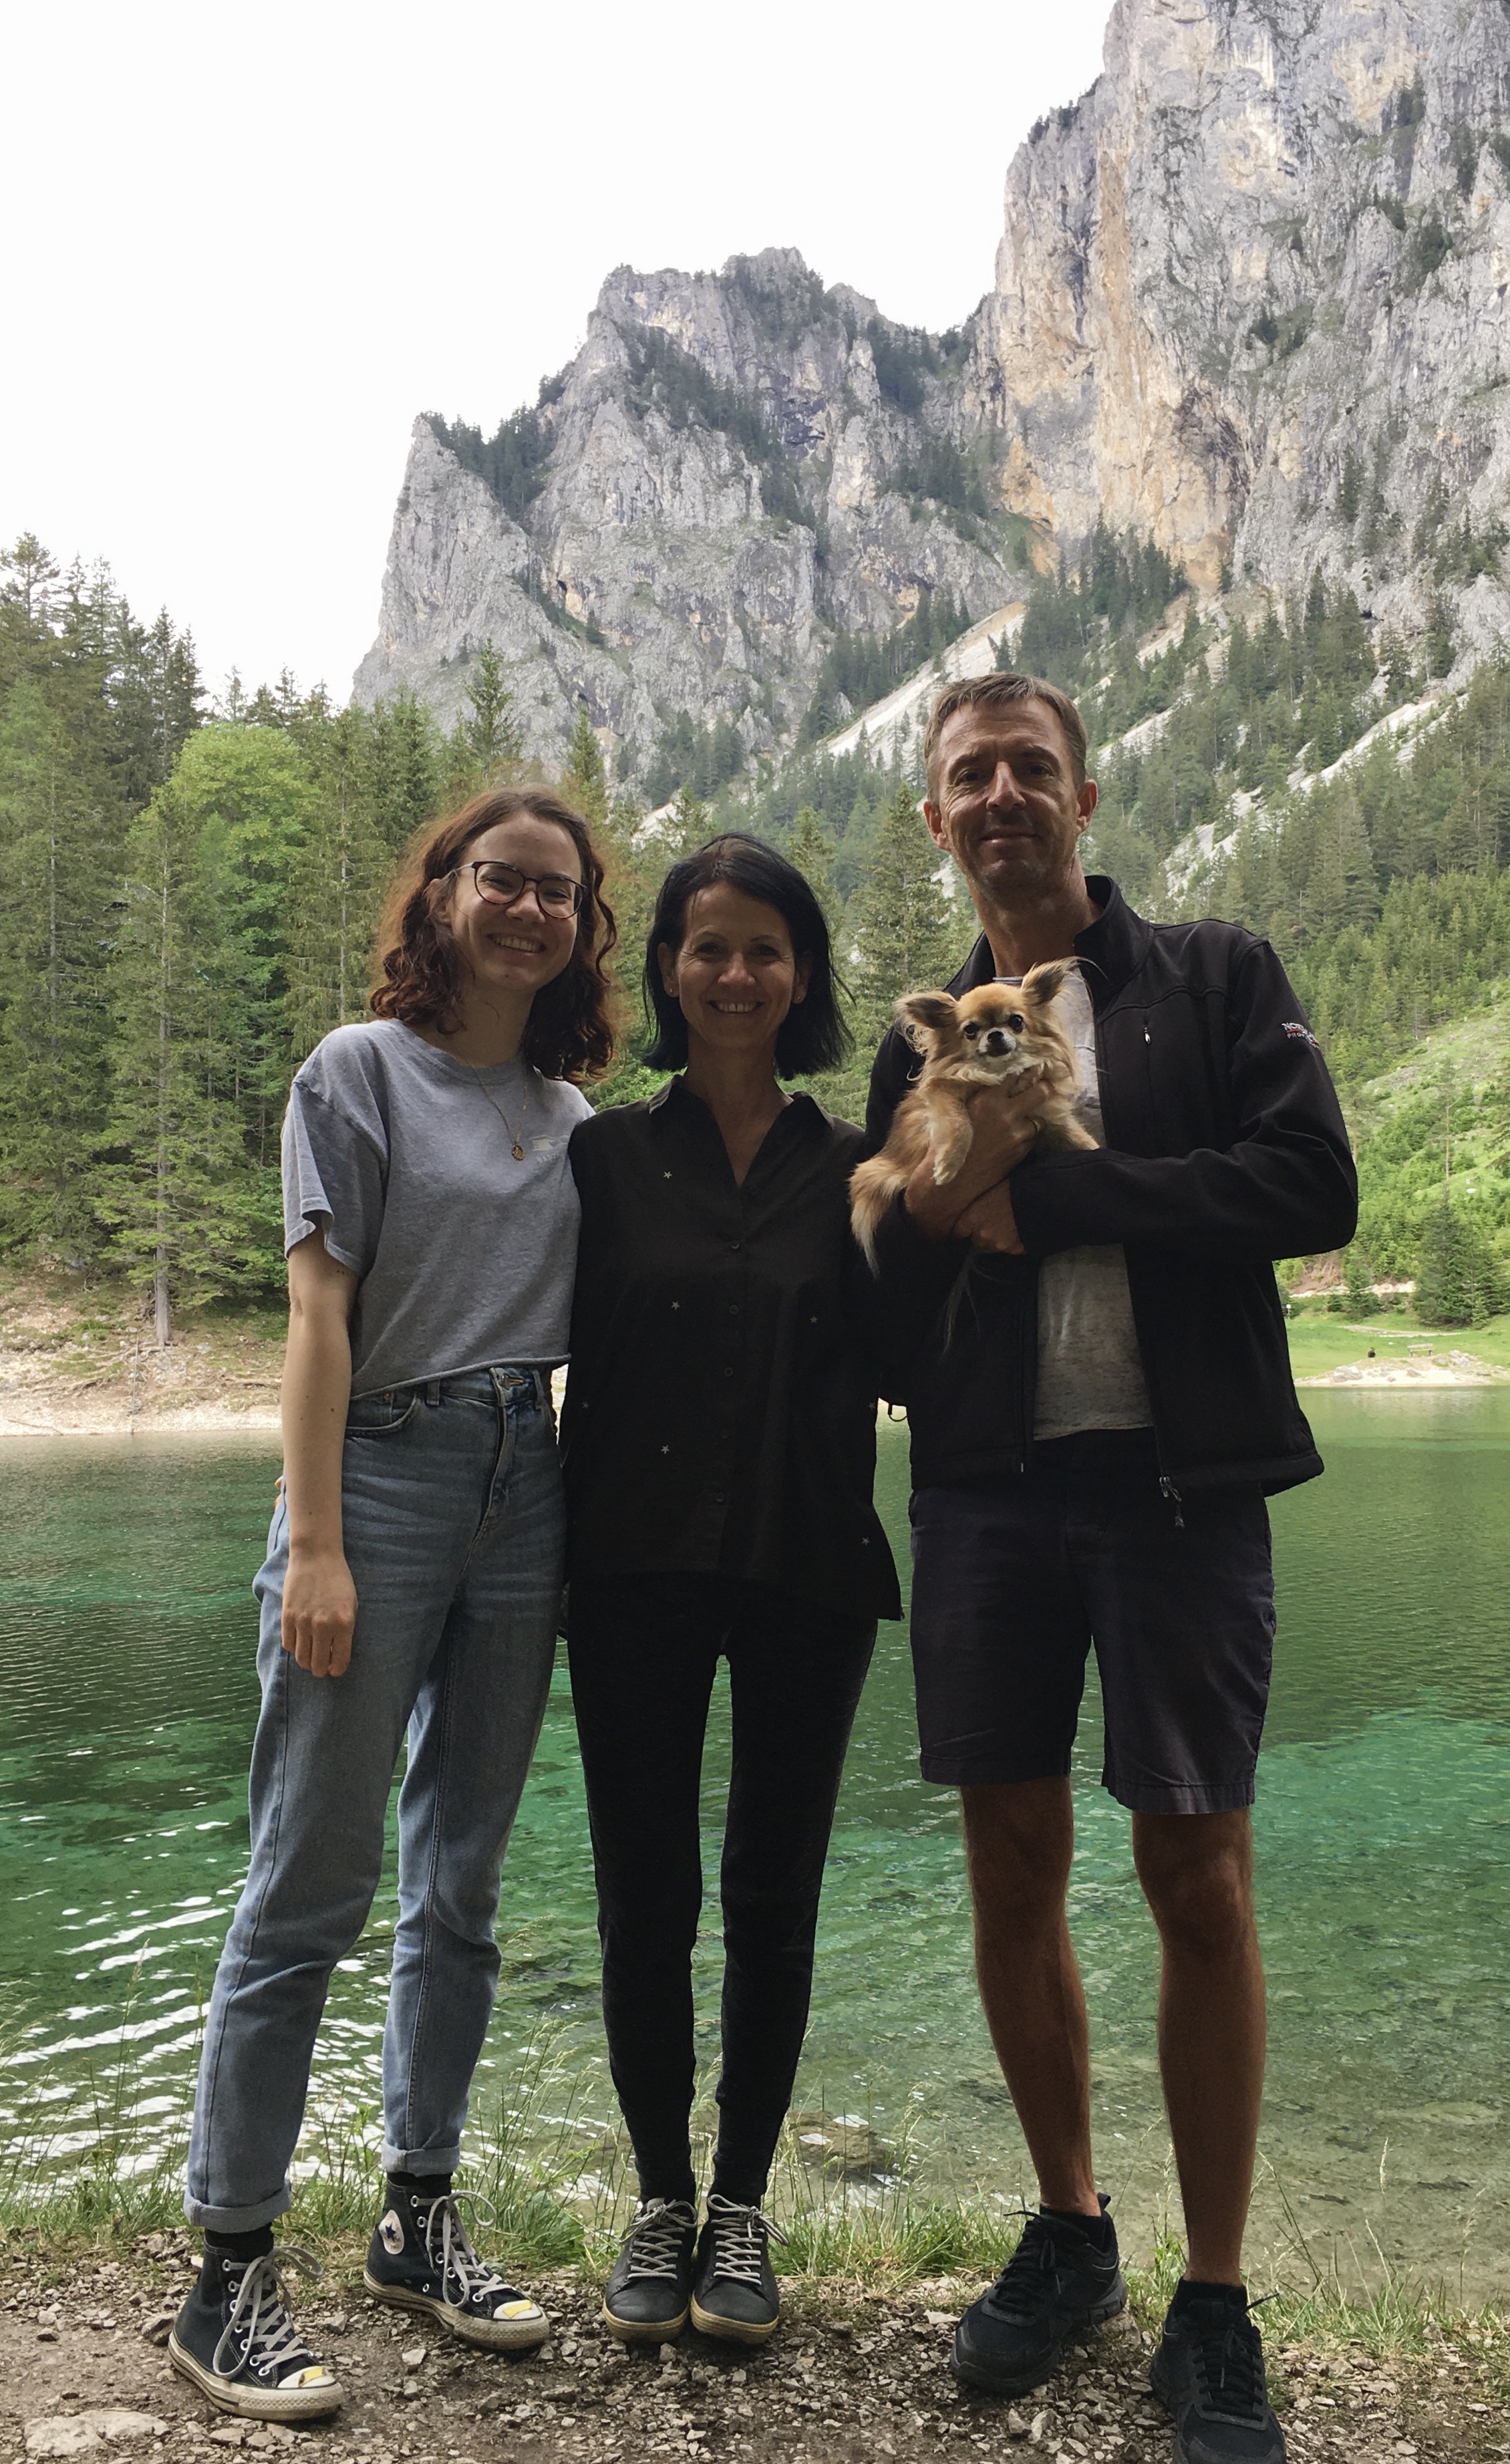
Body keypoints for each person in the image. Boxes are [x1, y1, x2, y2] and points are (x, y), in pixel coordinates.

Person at [863, 672, 1358, 2460]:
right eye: (968, 773)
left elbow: (1309, 1186)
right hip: (986, 1495)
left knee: (1198, 1875)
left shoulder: (1211, 978)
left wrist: (1069, 1194)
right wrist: (933, 1216)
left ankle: (1212, 2300)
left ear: (1082, 795)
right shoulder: (922, 1040)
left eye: (1030, 767)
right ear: (936, 817)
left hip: (1181, 1488)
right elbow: (886, 1316)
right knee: (1009, 1865)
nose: (1000, 794)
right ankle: (1072, 2228)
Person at [172, 788, 615, 2423]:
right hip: (384, 1474)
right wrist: (319, 1542)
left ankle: (416, 2213)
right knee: (308, 1883)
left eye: (559, 890)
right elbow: (318, 1319)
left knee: (463, 1883)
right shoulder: (357, 1071)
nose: (529, 907)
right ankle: (227, 2269)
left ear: (582, 926)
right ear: (440, 894)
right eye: (501, 877)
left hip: (527, 1484)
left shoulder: (573, 1115)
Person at [561, 835, 910, 2350]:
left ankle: (743, 2204)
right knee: (646, 1892)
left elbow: (916, 1351)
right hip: (628, 1565)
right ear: (666, 968)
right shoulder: (603, 1159)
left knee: (775, 1894)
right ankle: (659, 2194)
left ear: (803, 974)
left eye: (766, 948)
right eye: (708, 945)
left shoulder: (859, 1167)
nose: (736, 972)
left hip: (807, 1562)